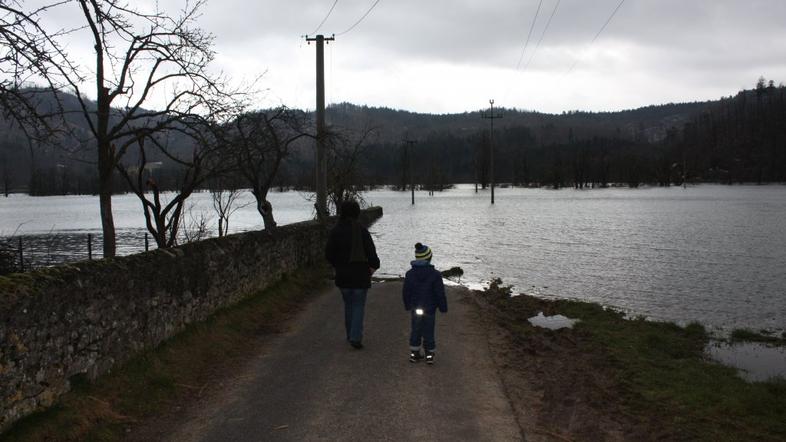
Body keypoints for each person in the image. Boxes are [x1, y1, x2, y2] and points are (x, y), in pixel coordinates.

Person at [325, 200, 380, 349]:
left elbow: (328, 253)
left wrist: (337, 266)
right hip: (360, 276)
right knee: (358, 306)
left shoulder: (335, 231)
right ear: (357, 213)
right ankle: (355, 337)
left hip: (343, 276)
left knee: (349, 305)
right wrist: (372, 268)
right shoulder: (362, 231)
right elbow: (373, 256)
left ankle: (350, 334)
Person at [402, 242, 447, 364]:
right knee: (429, 330)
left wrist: (407, 304)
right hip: (430, 308)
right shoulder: (435, 275)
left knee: (415, 329)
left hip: (415, 307)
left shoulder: (410, 274)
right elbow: (439, 293)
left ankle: (414, 353)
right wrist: (443, 307)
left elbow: (406, 292)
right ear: (429, 258)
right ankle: (429, 355)